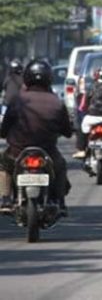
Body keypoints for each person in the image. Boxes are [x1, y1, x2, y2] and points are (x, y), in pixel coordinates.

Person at [0, 60, 72, 214]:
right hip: (47, 152)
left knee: (3, 164)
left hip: (17, 152)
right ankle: (60, 201)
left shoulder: (17, 100)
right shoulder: (57, 102)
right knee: (60, 166)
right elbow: (67, 131)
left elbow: (4, 129)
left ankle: (5, 198)